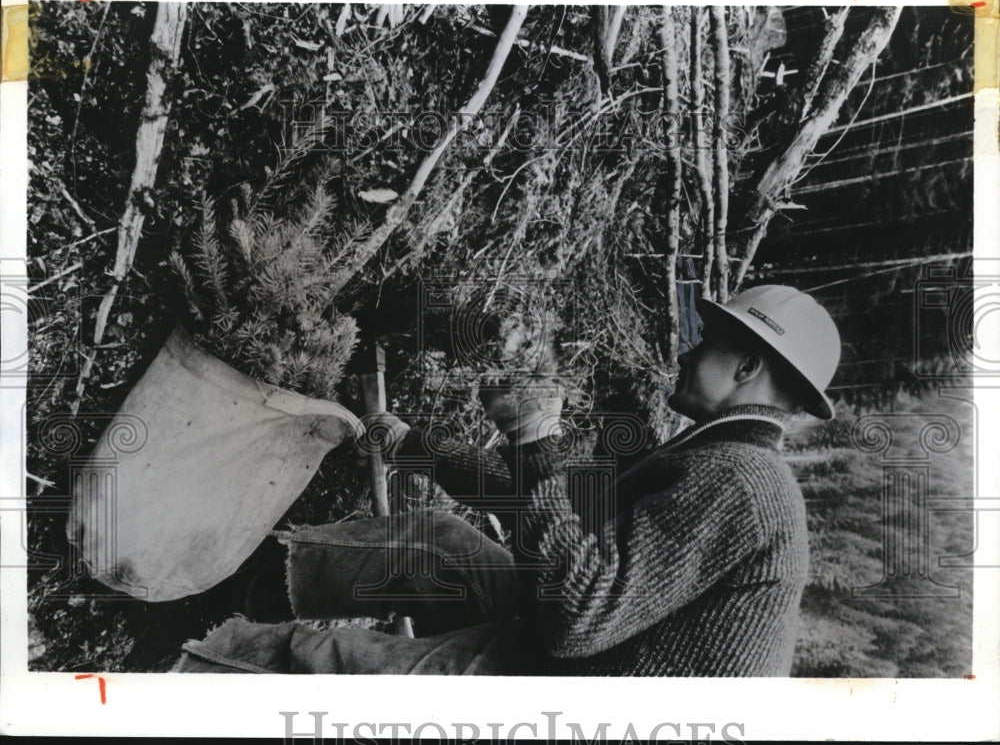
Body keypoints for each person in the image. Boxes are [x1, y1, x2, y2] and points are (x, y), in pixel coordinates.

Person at [174, 284, 840, 676]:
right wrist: (410, 444)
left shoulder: (742, 485)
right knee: (441, 546)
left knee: (325, 662)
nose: (690, 353)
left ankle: (175, 669)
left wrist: (534, 442)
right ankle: (247, 580)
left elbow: (579, 617)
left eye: (708, 343)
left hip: (581, 706)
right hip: (586, 655)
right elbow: (537, 503)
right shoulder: (721, 457)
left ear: (747, 365)